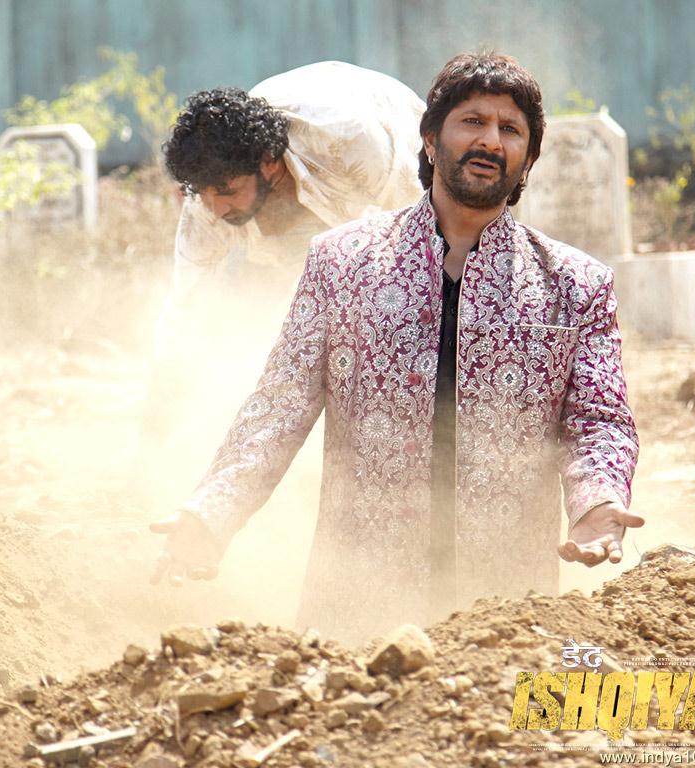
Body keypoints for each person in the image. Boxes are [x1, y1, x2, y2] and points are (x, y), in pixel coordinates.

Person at [152, 52, 642, 642]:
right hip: (358, 612)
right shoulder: (341, 264)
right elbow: (278, 406)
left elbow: (599, 419)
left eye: (510, 129)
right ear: (430, 140)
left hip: (505, 617)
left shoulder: (575, 284)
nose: (490, 140)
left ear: (529, 158)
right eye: (472, 121)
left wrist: (596, 501)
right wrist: (212, 512)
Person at [137, 61, 426, 493]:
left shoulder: (351, 143)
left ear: (269, 163)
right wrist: (153, 431)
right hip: (303, 215)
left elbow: (422, 236)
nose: (216, 208)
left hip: (396, 159)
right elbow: (186, 311)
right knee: (278, 327)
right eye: (205, 194)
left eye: (227, 192)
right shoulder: (208, 207)